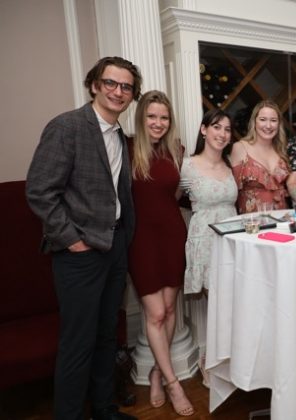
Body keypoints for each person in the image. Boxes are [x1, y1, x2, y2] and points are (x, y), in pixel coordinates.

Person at [25, 56, 142, 420]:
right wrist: (72, 240)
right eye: (111, 83)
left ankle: (105, 409)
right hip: (80, 255)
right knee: (78, 343)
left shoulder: (119, 135)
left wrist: (123, 239)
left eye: (126, 87)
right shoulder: (68, 126)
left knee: (107, 335)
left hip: (114, 247)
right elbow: (39, 191)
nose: (118, 92)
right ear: (94, 85)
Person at [126, 91, 194, 417]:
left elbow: (178, 195)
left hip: (172, 235)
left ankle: (156, 371)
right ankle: (173, 383)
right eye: (152, 116)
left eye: (164, 117)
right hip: (140, 240)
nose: (158, 123)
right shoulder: (126, 148)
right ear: (141, 117)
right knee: (154, 314)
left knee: (168, 310)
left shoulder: (176, 150)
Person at [181, 109, 237, 294]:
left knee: (234, 299)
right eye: (217, 127)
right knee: (215, 301)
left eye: (227, 129)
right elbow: (171, 199)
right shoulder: (187, 166)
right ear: (204, 130)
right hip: (205, 241)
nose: (222, 134)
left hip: (231, 239)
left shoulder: (230, 164)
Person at [230, 100, 295, 213]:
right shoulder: (240, 148)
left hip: (281, 218)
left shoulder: (281, 150)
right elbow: (231, 191)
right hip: (252, 220)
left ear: (279, 124)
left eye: (273, 120)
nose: (268, 125)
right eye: (263, 119)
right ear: (254, 122)